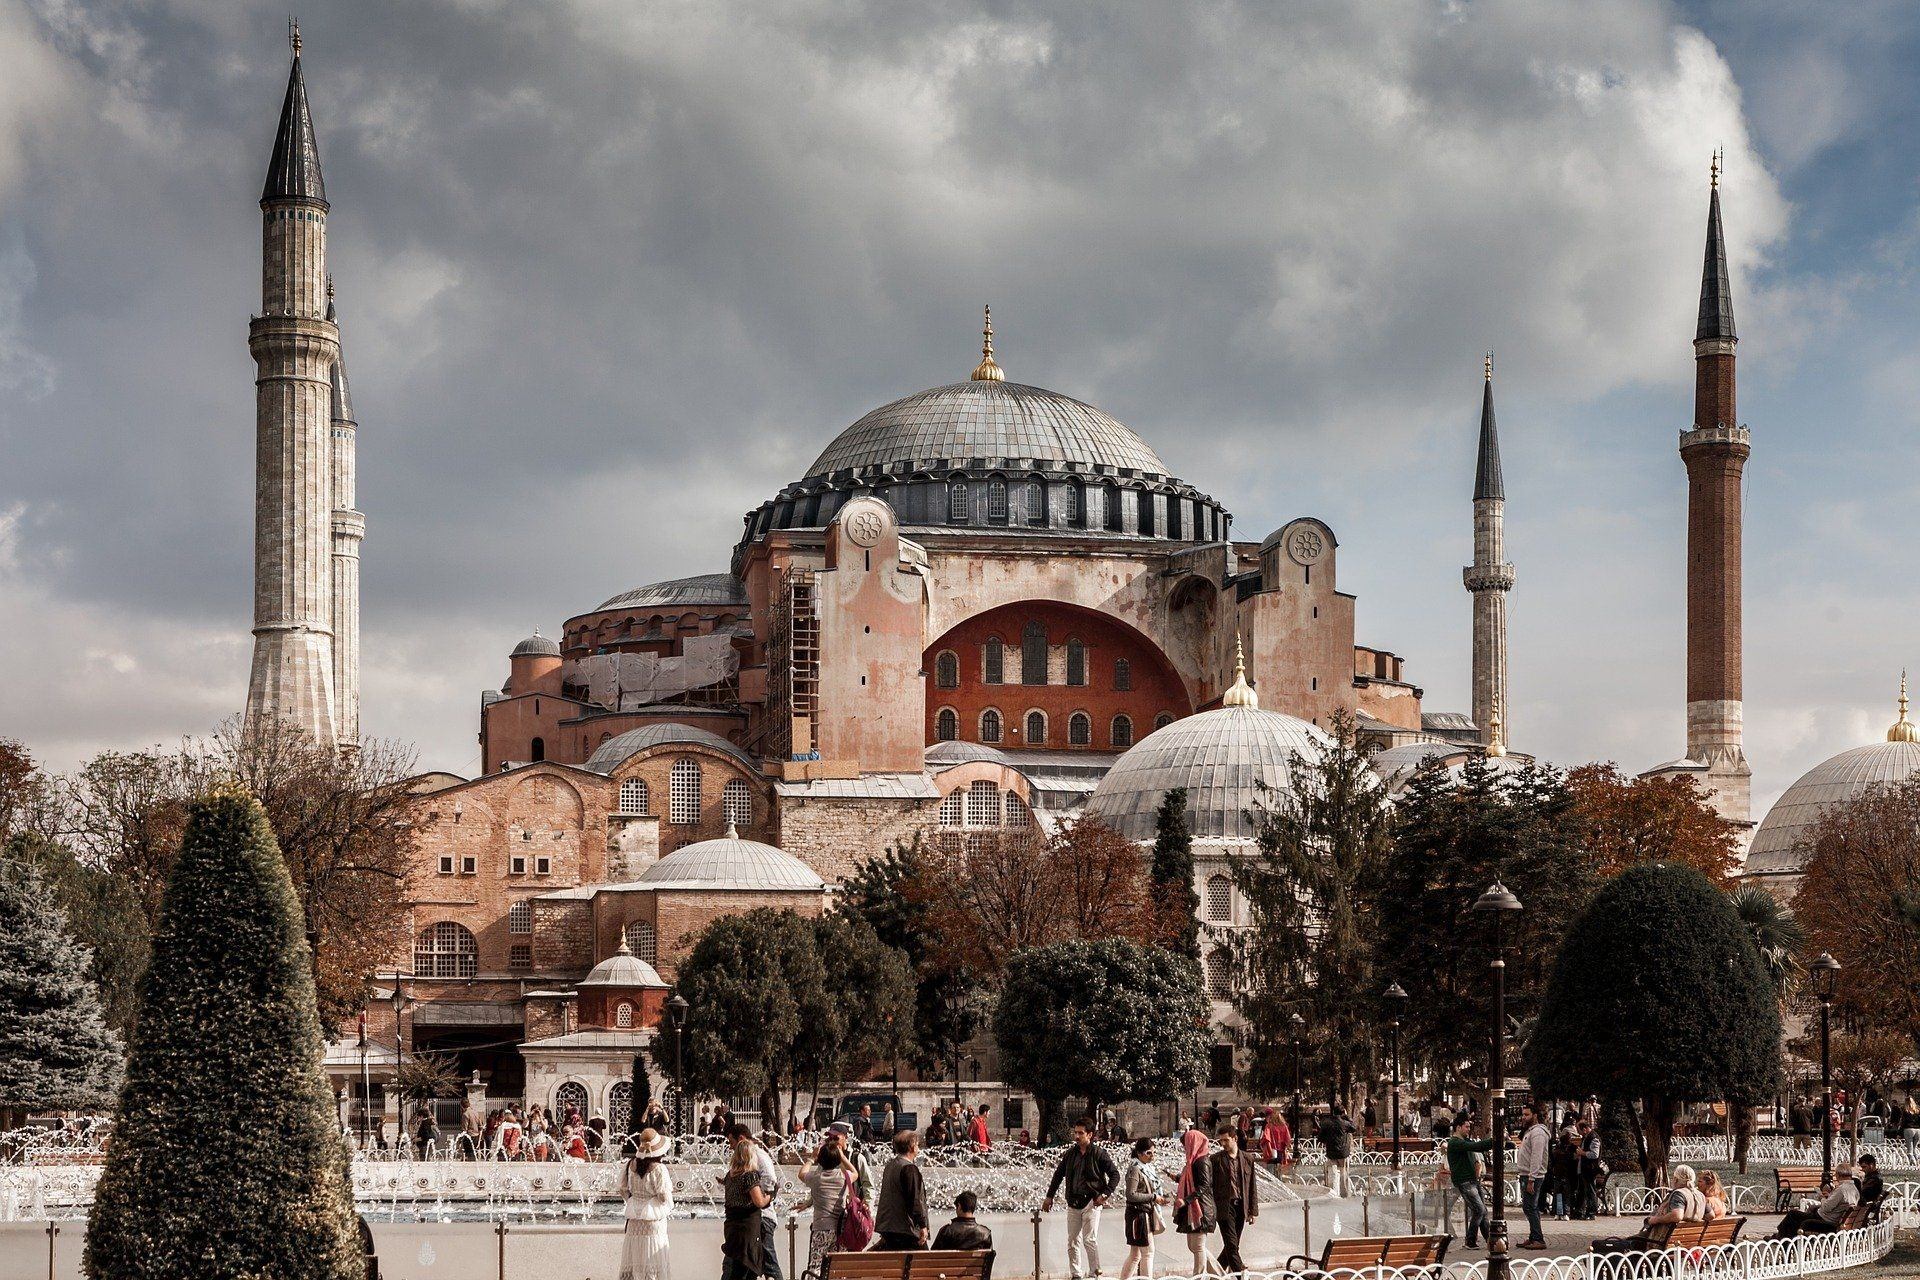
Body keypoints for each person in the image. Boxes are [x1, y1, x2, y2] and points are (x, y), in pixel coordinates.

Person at [1043, 1117, 1120, 1280]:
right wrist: (1049, 1196)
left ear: (1090, 1135)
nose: (1076, 1136)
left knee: (1089, 1240)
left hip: (1091, 1203)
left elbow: (1115, 1174)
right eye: (1075, 1132)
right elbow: (1058, 1175)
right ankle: (1076, 1274)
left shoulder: (1099, 1153)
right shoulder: (1070, 1154)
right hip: (1073, 1203)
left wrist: (1105, 1194)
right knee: (1072, 1241)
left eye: (1080, 1133)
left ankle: (1094, 1274)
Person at [1594, 1164, 1707, 1254]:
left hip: (1661, 1242)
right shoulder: (1699, 1195)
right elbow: (1710, 1215)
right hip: (1686, 1242)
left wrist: (1655, 1220)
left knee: (1624, 1243)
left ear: (1676, 1179)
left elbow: (1677, 1215)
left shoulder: (1679, 1194)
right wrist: (1693, 1218)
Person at [728, 1122, 783, 1279]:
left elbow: (770, 1180)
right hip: (747, 1223)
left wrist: (759, 1197)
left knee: (767, 1263)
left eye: (732, 1142)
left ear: (741, 1139)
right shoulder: (743, 1166)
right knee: (745, 1266)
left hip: (761, 1219)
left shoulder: (758, 1156)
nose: (731, 1147)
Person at [619, 1128, 674, 1280]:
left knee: (635, 1254)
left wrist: (634, 1199)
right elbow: (663, 1196)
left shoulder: (630, 1165)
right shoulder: (659, 1169)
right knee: (653, 1256)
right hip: (653, 1219)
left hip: (635, 1220)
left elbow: (622, 1189)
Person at [800, 1139, 854, 1280]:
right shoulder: (843, 1177)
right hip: (840, 1230)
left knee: (816, 1265)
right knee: (837, 1266)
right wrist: (842, 1156)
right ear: (837, 1160)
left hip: (821, 1228)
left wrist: (812, 1159)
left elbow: (801, 1173)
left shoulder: (816, 1178)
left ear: (820, 1161)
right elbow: (854, 1172)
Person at [721, 1132, 773, 1280]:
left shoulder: (730, 1175)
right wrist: (771, 1194)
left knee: (736, 1268)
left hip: (732, 1227)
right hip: (747, 1228)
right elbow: (759, 1202)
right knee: (747, 1268)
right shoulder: (749, 1175)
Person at [1172, 1127, 1222, 1276]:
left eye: (1186, 1145)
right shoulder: (1194, 1161)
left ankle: (1199, 1276)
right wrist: (1176, 1178)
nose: (1184, 1148)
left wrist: (1186, 1200)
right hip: (1194, 1208)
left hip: (1201, 1209)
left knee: (1198, 1247)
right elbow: (1192, 1181)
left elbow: (1204, 1185)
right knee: (1194, 1246)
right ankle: (1220, 1275)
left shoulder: (1202, 1161)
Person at [1210, 1125, 1258, 1274]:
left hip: (1241, 1207)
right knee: (1231, 1245)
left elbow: (1252, 1186)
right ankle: (1241, 1274)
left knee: (1232, 1245)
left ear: (1235, 1138)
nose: (1223, 1144)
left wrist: (1253, 1211)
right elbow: (1208, 1184)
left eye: (1226, 1140)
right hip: (1224, 1207)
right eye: (1220, 1141)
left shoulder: (1248, 1159)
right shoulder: (1215, 1159)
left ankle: (1214, 1274)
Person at [1121, 1137, 1168, 1280]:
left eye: (1153, 1152)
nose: (1152, 1156)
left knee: (1136, 1254)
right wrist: (1153, 1197)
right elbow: (1131, 1195)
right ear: (1139, 1153)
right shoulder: (1136, 1168)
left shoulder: (1145, 1167)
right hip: (1138, 1214)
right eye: (1149, 1153)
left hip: (1141, 1213)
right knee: (1148, 1252)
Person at [1441, 1120, 1492, 1250]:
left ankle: (1490, 1240)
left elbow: (1478, 1146)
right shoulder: (1455, 1143)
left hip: (1472, 1180)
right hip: (1465, 1181)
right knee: (1479, 1210)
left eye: (1470, 1126)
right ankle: (1470, 1240)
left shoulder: (1465, 1141)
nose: (1469, 1129)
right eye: (1466, 1126)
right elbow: (1477, 1147)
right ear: (1458, 1127)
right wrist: (1494, 1141)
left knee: (1483, 1211)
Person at [875, 1130, 929, 1250]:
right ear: (911, 1147)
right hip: (905, 1229)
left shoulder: (890, 1166)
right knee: (925, 1263)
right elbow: (914, 1200)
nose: (918, 1148)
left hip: (889, 1228)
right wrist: (922, 1225)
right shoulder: (909, 1168)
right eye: (917, 1145)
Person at [1775, 1164, 1859, 1238]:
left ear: (1839, 1175)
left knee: (1792, 1214)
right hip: (1834, 1219)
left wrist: (1822, 1197)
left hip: (1826, 1220)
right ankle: (1782, 1237)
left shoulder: (1841, 1189)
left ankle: (1781, 1238)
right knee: (1797, 1216)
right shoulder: (1853, 1188)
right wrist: (1829, 1196)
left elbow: (1826, 1208)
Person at [1513, 1103, 1549, 1249]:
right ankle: (1533, 1236)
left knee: (1531, 1207)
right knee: (1528, 1207)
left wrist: (1532, 1178)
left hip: (1532, 1176)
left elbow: (1536, 1156)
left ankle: (1538, 1239)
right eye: (1523, 1114)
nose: (1523, 1117)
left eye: (1527, 1114)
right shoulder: (1530, 1131)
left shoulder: (1538, 1133)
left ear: (1534, 1115)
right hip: (1526, 1174)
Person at [1316, 1104, 1356, 1199]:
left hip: (1331, 1152)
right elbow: (1354, 1128)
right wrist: (1346, 1116)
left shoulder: (1326, 1123)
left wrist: (1328, 1140)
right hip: (1343, 1153)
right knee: (1344, 1173)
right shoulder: (1345, 1123)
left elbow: (1320, 1138)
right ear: (1342, 1113)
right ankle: (1345, 1195)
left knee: (1333, 1173)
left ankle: (1333, 1194)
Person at [1548, 1119, 1580, 1220]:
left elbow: (1552, 1161)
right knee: (1566, 1194)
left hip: (1558, 1173)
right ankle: (1566, 1212)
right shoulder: (1571, 1149)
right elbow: (1574, 1159)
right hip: (1567, 1174)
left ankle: (1559, 1212)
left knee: (1558, 1194)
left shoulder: (1556, 1149)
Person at [1573, 1120, 1603, 1220]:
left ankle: (1591, 1212)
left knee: (1590, 1191)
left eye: (1579, 1130)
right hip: (1583, 1169)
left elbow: (1595, 1154)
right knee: (1582, 1191)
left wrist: (1583, 1153)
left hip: (1590, 1169)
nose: (1579, 1133)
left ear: (1585, 1129)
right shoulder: (1586, 1138)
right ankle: (1580, 1211)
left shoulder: (1593, 1138)